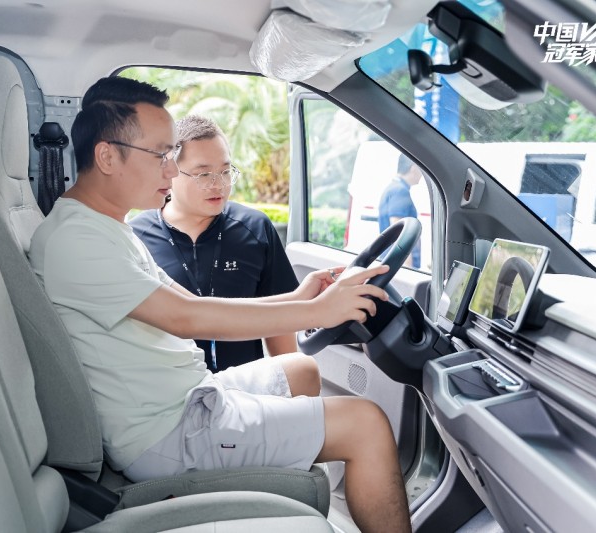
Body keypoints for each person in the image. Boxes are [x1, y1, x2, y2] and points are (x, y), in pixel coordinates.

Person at [29, 78, 411, 533]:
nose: (172, 171)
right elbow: (187, 318)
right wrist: (320, 312)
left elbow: (188, 302)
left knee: (301, 369)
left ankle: (280, 490)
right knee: (367, 423)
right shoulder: (77, 239)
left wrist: (300, 297)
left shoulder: (106, 227)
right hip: (169, 432)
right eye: (161, 155)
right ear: (108, 157)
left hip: (188, 399)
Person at [129, 114, 298, 371]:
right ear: (170, 172)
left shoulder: (255, 228)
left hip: (244, 389)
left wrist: (289, 382)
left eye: (225, 171)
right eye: (204, 174)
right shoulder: (136, 237)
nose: (219, 184)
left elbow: (280, 323)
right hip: (171, 389)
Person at [378, 154, 422, 268]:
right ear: (414, 168)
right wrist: (406, 265)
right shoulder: (400, 191)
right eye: (421, 169)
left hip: (392, 259)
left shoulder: (393, 188)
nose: (422, 174)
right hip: (399, 261)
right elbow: (400, 230)